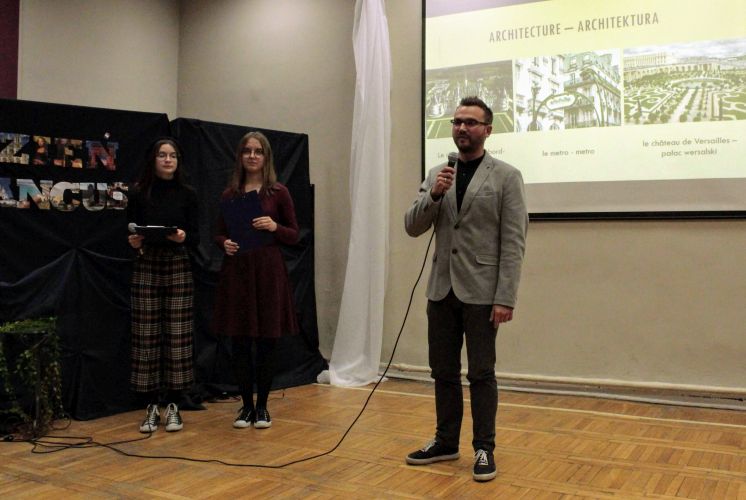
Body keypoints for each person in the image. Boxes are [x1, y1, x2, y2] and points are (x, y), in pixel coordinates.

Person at [404, 96, 528, 482]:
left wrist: (505, 297)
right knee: (442, 371)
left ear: (487, 130)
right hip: (441, 290)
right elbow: (412, 226)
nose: (462, 128)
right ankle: (446, 442)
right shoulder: (438, 174)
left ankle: (484, 448)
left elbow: (513, 242)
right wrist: (434, 194)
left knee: (481, 373)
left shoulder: (506, 176)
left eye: (471, 122)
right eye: (457, 121)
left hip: (482, 293)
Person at [212, 131, 299, 430]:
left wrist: (274, 226)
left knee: (266, 342)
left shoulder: (279, 192)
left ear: (266, 157)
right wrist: (224, 243)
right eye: (247, 151)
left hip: (268, 273)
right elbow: (218, 233)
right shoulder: (230, 194)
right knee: (240, 340)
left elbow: (294, 234)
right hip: (238, 273)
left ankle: (262, 406)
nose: (252, 156)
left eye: (258, 151)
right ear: (240, 156)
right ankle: (246, 406)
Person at [127, 138, 199, 433]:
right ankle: (151, 406)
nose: (168, 160)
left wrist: (183, 237)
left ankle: (173, 405)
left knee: (178, 335)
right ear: (153, 159)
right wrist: (133, 241)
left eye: (173, 156)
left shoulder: (188, 193)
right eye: (162, 155)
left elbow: (196, 235)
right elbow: (129, 228)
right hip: (147, 262)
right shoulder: (139, 192)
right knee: (146, 334)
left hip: (177, 262)